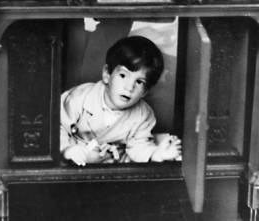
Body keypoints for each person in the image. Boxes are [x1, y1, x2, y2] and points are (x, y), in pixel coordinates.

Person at [60, 35, 182, 166]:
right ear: (107, 74)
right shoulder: (80, 97)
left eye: (139, 82)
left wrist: (155, 154)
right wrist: (67, 149)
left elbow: (139, 146)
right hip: (75, 157)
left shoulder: (143, 114)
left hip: (111, 164)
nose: (129, 87)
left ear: (145, 91)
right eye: (123, 75)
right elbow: (58, 127)